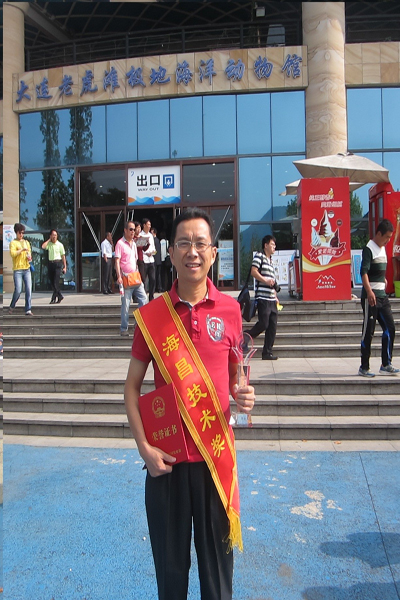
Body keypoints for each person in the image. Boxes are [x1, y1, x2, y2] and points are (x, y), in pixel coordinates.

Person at [124, 208, 255, 600]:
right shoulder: (151, 316)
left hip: (215, 461)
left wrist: (243, 394)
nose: (192, 251)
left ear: (213, 253)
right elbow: (131, 389)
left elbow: (235, 377)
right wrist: (144, 449)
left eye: (200, 243)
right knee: (171, 578)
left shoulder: (231, 311)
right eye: (184, 243)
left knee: (218, 581)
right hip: (166, 464)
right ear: (171, 252)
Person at [359, 219, 399, 377]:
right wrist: (369, 291)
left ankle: (386, 363)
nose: (388, 240)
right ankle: (364, 366)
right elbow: (364, 272)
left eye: (390, 237)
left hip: (382, 296)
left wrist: (383, 279)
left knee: (390, 328)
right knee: (368, 332)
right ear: (379, 234)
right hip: (371, 297)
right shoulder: (369, 248)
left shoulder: (382, 249)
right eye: (387, 237)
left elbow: (378, 270)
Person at [245, 235, 279, 360]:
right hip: (263, 298)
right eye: (272, 244)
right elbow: (253, 271)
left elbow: (272, 281)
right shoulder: (259, 256)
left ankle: (267, 353)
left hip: (272, 299)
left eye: (275, 245)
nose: (274, 247)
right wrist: (265, 280)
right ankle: (246, 336)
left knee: (272, 327)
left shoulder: (271, 261)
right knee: (263, 324)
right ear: (265, 245)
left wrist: (275, 296)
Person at [115, 220, 148, 337]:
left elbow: (136, 259)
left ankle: (138, 323)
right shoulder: (120, 243)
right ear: (125, 230)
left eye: (134, 229)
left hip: (136, 276)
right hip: (125, 278)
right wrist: (119, 276)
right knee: (126, 304)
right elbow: (117, 261)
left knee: (144, 299)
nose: (133, 231)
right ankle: (124, 328)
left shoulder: (134, 243)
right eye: (131, 229)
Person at [8, 223, 33, 317]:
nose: (21, 235)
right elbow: (13, 254)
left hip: (26, 268)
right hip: (17, 269)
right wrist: (21, 250)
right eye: (20, 233)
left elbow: (30, 254)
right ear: (16, 233)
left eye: (23, 233)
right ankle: (12, 305)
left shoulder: (26, 242)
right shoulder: (13, 243)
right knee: (18, 290)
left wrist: (29, 257)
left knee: (28, 289)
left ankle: (28, 309)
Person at [42, 229, 67, 304]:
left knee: (56, 282)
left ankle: (53, 298)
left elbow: (63, 256)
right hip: (51, 264)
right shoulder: (49, 244)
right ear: (50, 236)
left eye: (55, 235)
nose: (54, 237)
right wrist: (49, 240)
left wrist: (65, 267)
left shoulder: (60, 245)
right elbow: (43, 246)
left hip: (58, 263)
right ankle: (59, 296)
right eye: (53, 235)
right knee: (52, 283)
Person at [140, 218, 156, 301]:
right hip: (144, 260)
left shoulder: (151, 235)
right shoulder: (140, 235)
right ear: (144, 225)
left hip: (151, 260)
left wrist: (152, 253)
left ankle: (151, 296)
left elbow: (153, 248)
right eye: (148, 225)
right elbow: (140, 248)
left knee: (152, 279)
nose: (149, 226)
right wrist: (146, 253)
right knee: (143, 279)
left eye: (150, 225)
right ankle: (142, 295)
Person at [151, 227, 162, 293]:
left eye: (151, 232)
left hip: (155, 260)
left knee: (154, 276)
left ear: (154, 233)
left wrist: (151, 254)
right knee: (158, 275)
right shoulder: (158, 240)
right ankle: (159, 288)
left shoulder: (154, 241)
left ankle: (154, 288)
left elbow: (154, 251)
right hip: (159, 260)